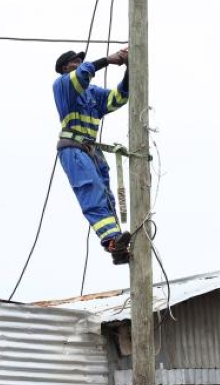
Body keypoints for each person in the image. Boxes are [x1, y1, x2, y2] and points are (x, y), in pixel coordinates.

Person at [53, 47, 133, 264]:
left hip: (92, 152)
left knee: (107, 199)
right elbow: (82, 75)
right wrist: (108, 60)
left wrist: (129, 69)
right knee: (93, 193)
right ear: (64, 68)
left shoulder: (92, 93)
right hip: (74, 149)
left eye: (81, 60)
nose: (79, 63)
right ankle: (111, 238)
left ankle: (116, 245)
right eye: (74, 62)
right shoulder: (63, 85)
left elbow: (117, 98)